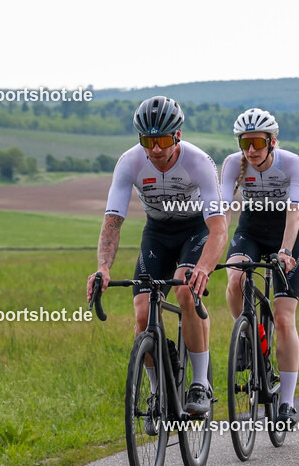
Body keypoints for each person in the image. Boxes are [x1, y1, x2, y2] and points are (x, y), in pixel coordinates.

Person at [87, 96, 227, 418]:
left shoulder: (199, 162)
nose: (155, 149)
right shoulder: (129, 162)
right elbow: (113, 221)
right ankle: (155, 393)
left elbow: (218, 228)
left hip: (195, 231)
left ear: (177, 135)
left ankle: (200, 384)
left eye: (162, 141)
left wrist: (203, 268)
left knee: (185, 291)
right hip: (157, 234)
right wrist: (103, 268)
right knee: (142, 314)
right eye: (147, 141)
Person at [220, 108, 299, 423]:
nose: (251, 150)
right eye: (245, 143)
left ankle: (287, 403)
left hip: (285, 234)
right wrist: (212, 252)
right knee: (235, 280)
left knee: (283, 319)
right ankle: (247, 333)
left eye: (257, 142)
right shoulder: (233, 164)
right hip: (251, 231)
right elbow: (224, 212)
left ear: (272, 141)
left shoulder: (292, 163)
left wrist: (285, 250)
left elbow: (294, 213)